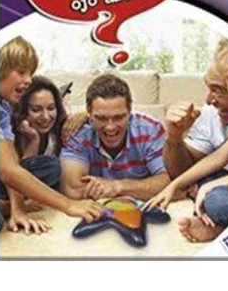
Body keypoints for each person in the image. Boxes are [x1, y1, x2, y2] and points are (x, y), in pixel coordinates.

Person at [145, 40, 228, 244]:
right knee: (201, 181)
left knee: (217, 199)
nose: (208, 100)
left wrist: (213, 187)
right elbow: (220, 156)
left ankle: (222, 228)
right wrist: (174, 185)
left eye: (223, 87)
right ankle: (222, 224)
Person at [0, 37, 105, 232]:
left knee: (50, 166)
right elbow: (9, 171)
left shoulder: (3, 107)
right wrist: (68, 205)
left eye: (30, 73)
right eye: (21, 72)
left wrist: (18, 211)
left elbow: (12, 166)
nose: (28, 80)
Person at [59, 73, 171, 203]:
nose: (110, 127)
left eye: (118, 117)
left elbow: (172, 183)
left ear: (130, 111)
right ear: (89, 113)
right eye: (101, 118)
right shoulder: (76, 132)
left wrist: (117, 187)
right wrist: (142, 188)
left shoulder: (150, 130)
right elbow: (72, 189)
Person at [161, 60, 228, 178]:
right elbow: (181, 173)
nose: (209, 101)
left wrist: (217, 184)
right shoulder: (211, 113)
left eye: (219, 90)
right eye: (209, 88)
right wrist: (174, 137)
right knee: (200, 177)